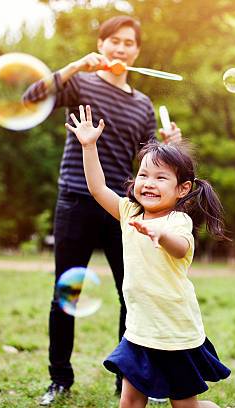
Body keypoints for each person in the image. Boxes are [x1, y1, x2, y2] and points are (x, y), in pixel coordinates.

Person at [22, 16, 182, 405]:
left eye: (128, 43)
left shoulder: (143, 105)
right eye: (114, 41)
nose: (121, 48)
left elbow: (148, 165)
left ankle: (128, 381)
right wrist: (76, 65)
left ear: (136, 51)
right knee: (66, 294)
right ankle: (59, 379)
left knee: (133, 294)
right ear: (101, 44)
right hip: (75, 199)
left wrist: (169, 145)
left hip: (121, 209)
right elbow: (31, 97)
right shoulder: (80, 83)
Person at [67, 104, 231, 407]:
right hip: (140, 329)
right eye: (143, 175)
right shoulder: (129, 212)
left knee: (184, 406)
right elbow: (97, 188)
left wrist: (161, 235)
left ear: (182, 189)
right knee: (129, 401)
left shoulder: (177, 221)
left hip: (174, 330)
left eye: (160, 178)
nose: (148, 183)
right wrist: (89, 146)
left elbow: (181, 247)